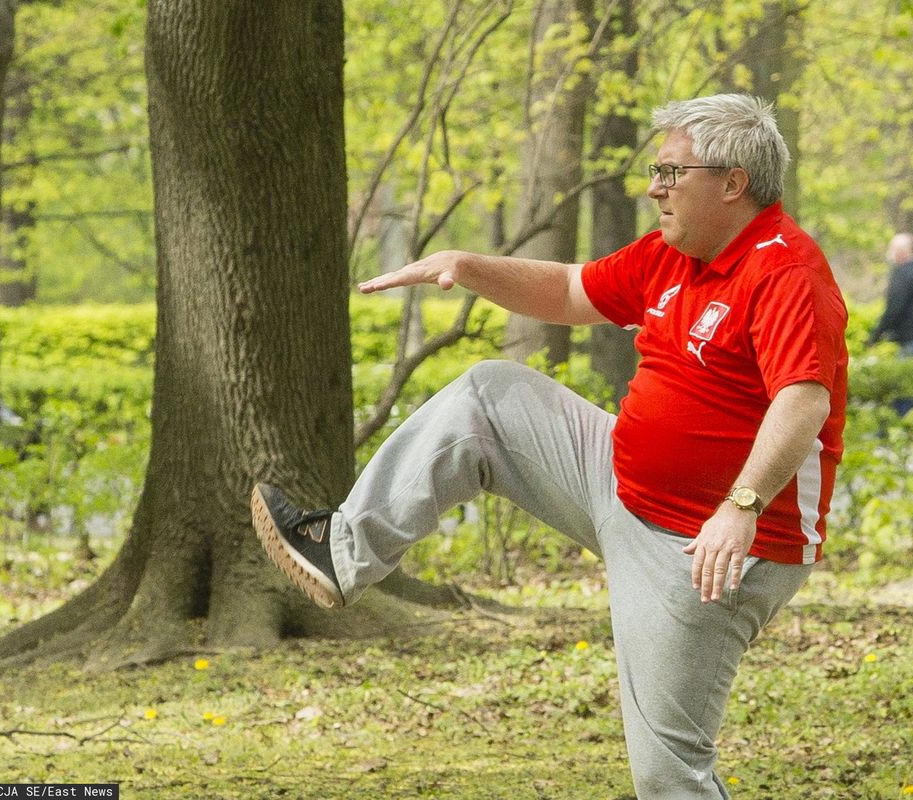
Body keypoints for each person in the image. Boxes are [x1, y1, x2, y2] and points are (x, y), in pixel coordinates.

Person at [251, 94, 848, 800]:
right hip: (615, 482)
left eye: (669, 172)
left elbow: (803, 399)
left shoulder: (784, 272)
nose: (654, 187)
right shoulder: (671, 254)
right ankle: (342, 550)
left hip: (708, 548)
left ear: (731, 182)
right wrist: (469, 266)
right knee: (489, 396)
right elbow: (570, 291)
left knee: (666, 774)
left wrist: (739, 507)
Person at [867, 232, 913, 357]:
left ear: (900, 251)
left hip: (910, 338)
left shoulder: (904, 273)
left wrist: (876, 335)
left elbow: (895, 306)